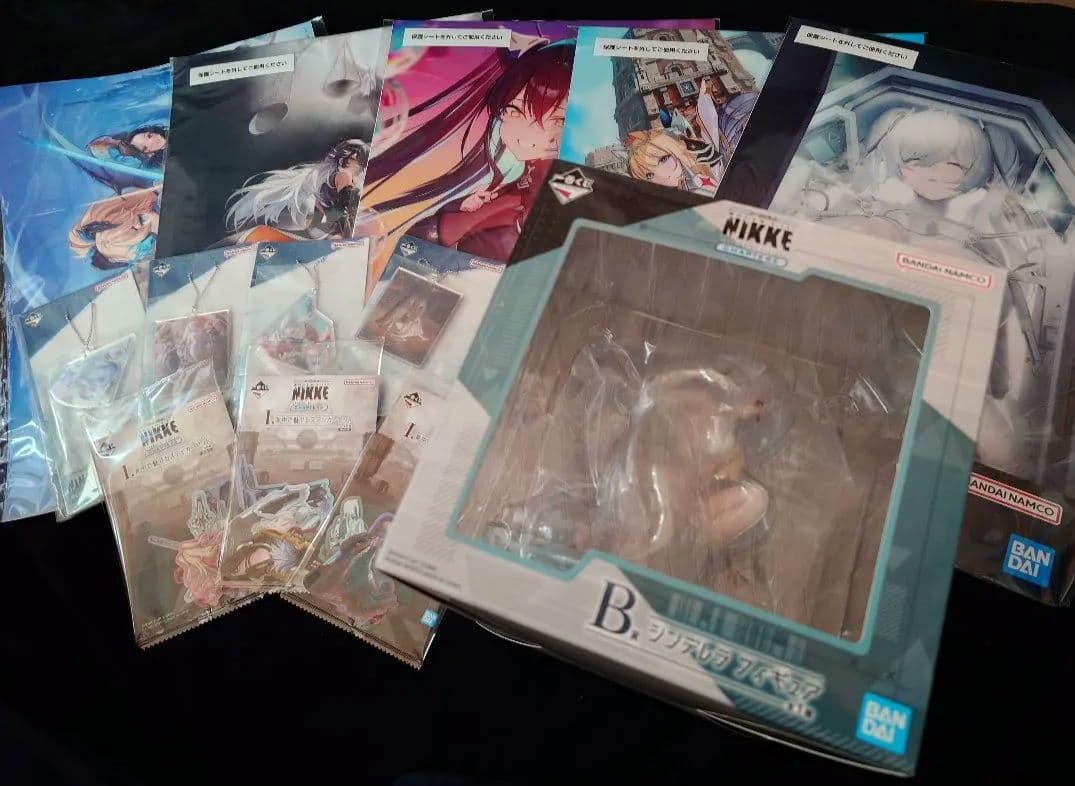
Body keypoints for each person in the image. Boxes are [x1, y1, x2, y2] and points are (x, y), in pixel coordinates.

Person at [360, 38, 574, 268]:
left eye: (557, 120)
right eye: (514, 112)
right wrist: (467, 205)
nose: (526, 135)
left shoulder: (565, 178)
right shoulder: (510, 178)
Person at [222, 138, 370, 244]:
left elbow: (327, 227)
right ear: (342, 161)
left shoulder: (337, 184)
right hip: (289, 223)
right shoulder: (325, 182)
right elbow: (320, 228)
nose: (357, 170)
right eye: (357, 162)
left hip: (306, 229)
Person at [68, 186, 160, 269]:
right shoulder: (104, 237)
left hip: (152, 203)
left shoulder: (107, 244)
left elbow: (146, 219)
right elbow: (143, 219)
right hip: (151, 201)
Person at [624, 129, 719, 196]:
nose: (662, 175)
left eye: (663, 159)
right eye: (649, 175)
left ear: (675, 150)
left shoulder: (702, 176)